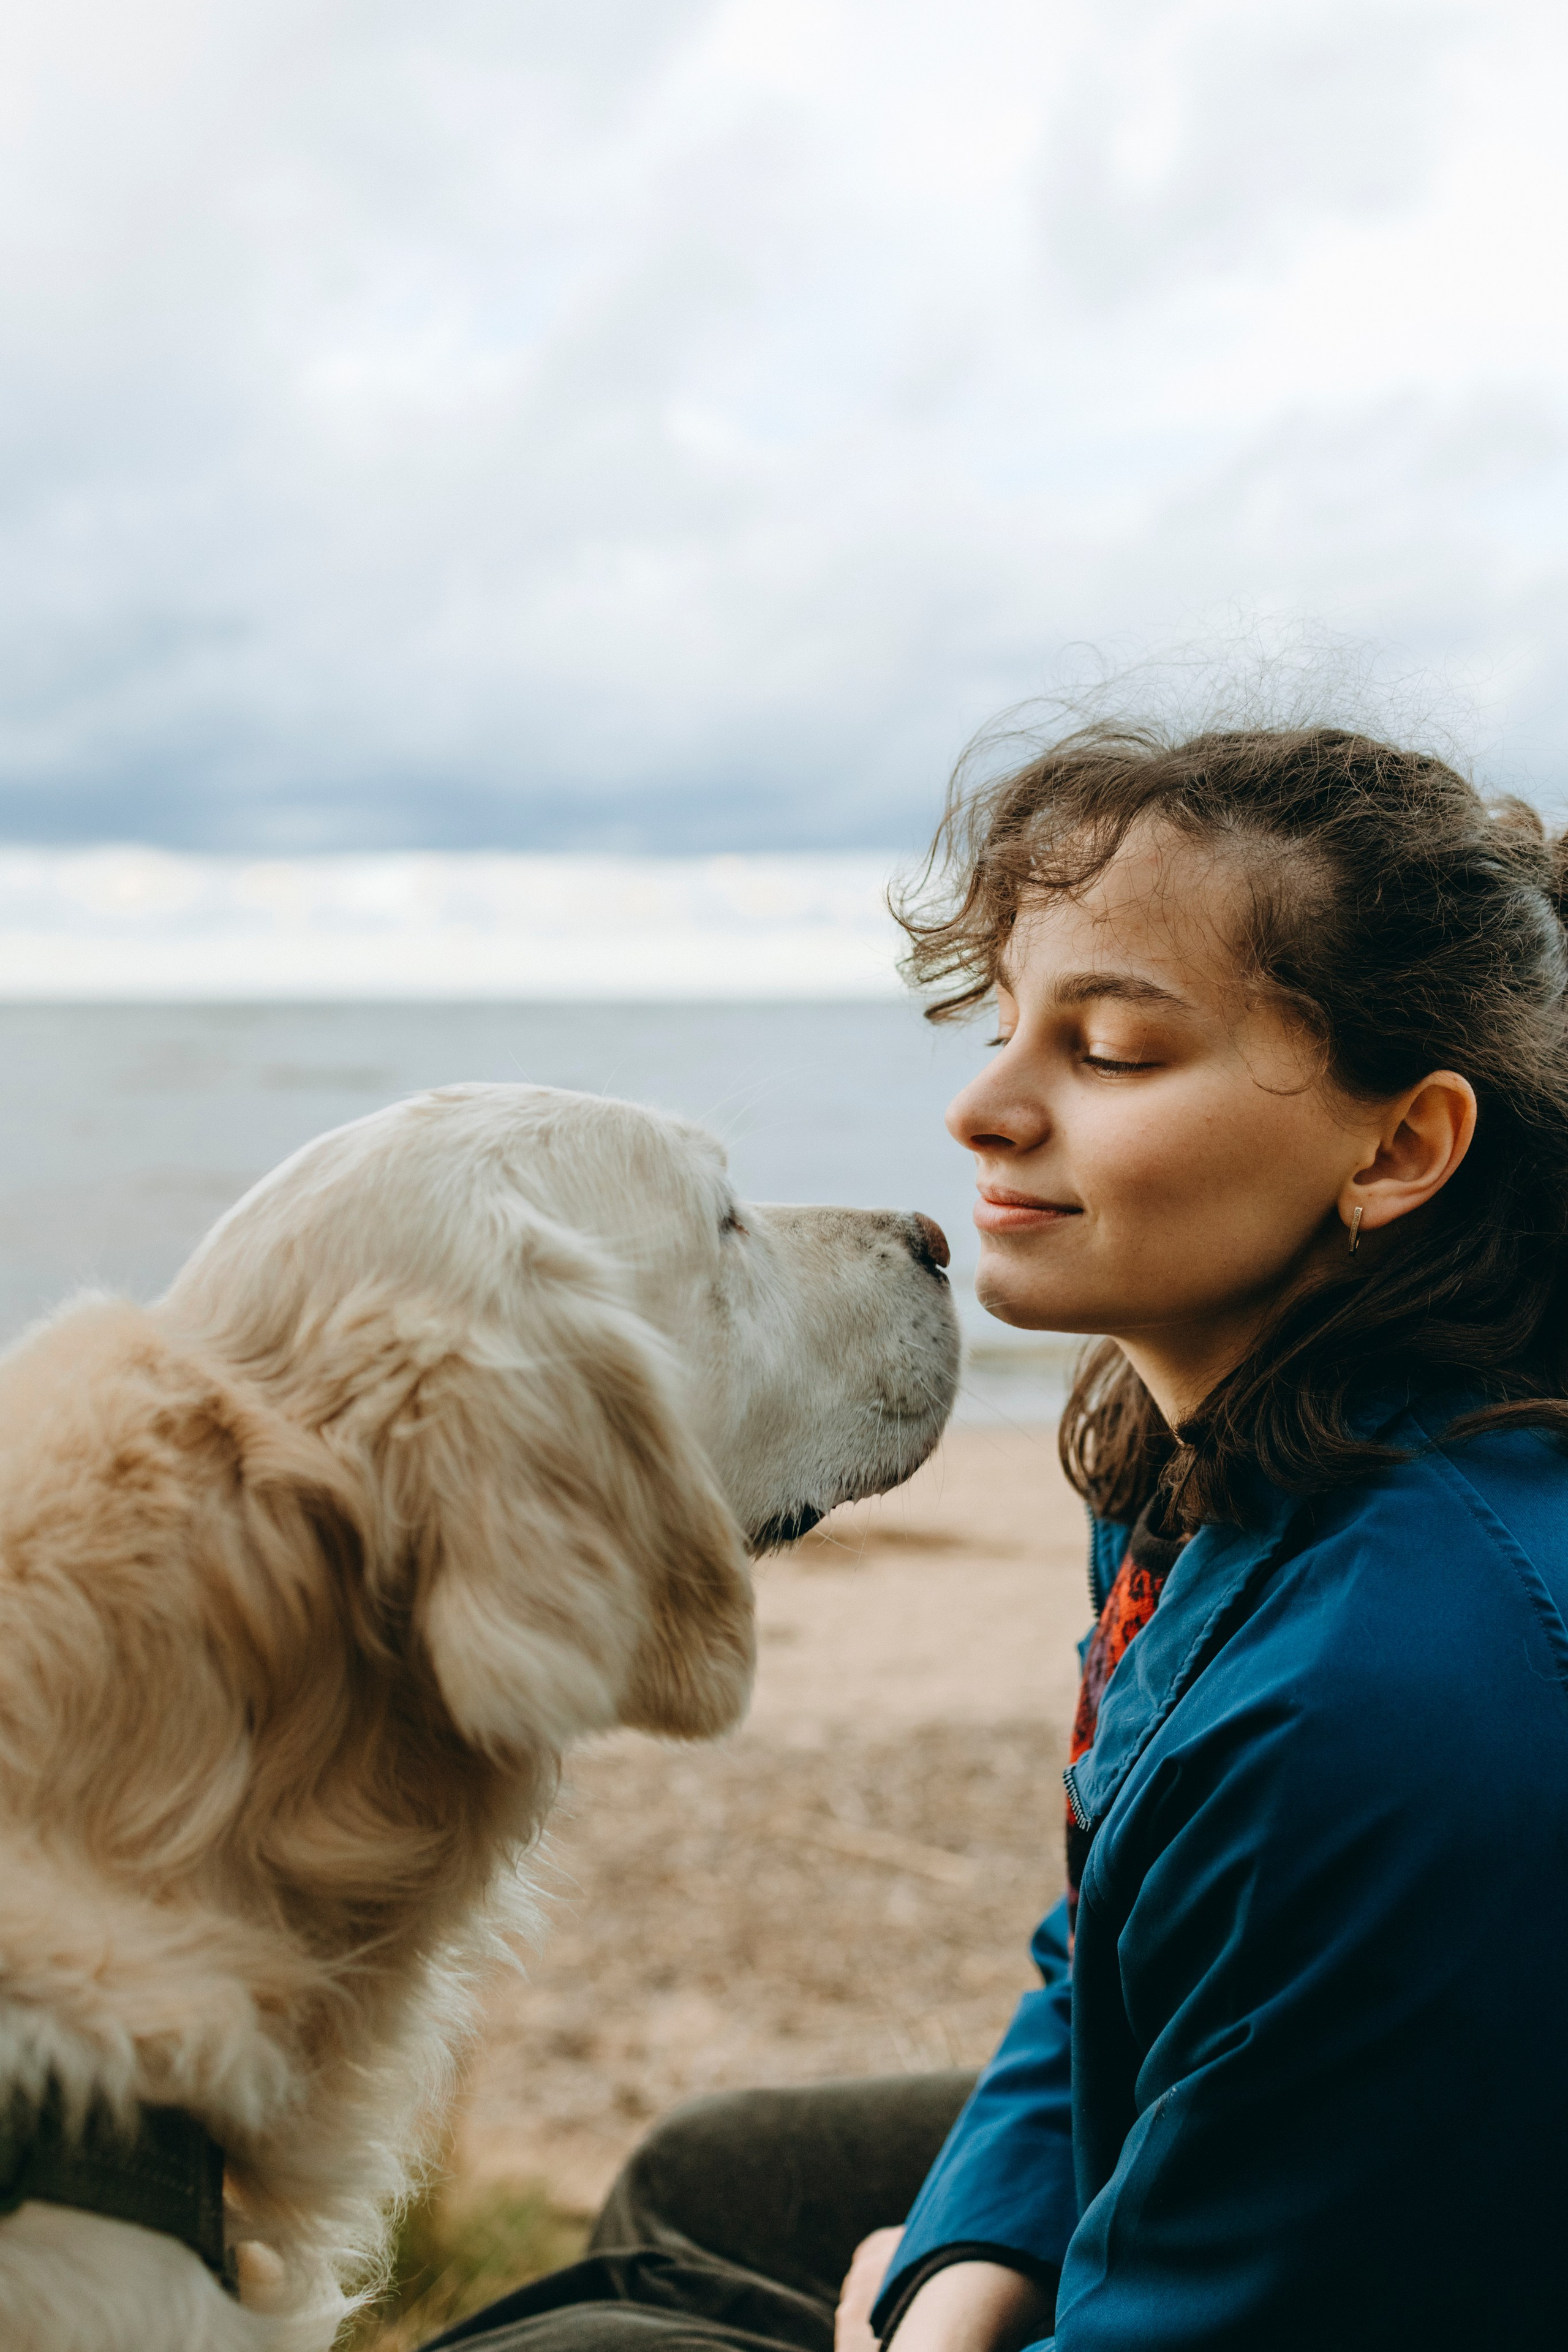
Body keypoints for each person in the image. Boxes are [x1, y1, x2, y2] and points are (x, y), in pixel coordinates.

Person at [426, 724, 1568, 2351]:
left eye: (1109, 1051)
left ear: (1398, 1148)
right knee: (706, 2175)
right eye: (1003, 1025)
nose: (981, 1110)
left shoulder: (1379, 1698)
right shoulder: (1210, 1464)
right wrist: (965, 2266)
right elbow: (1108, 1955)